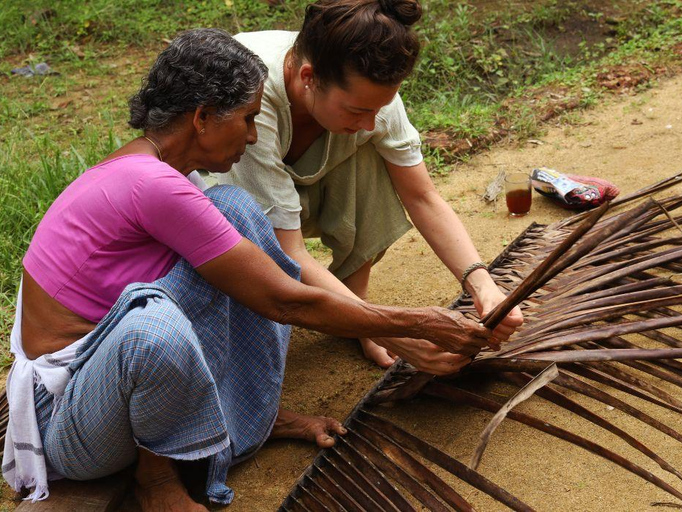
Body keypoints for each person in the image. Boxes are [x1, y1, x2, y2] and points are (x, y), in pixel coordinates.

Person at [3, 29, 512, 511]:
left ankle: (251, 417)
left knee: (237, 212)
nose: (251, 136)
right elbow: (283, 299)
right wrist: (416, 324)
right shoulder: (152, 184)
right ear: (202, 118)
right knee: (152, 330)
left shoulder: (154, 171)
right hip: (67, 421)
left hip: (107, 389)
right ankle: (155, 480)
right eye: (247, 119)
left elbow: (261, 280)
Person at [221, 0, 524, 368]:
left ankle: (354, 302)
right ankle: (358, 318)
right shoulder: (252, 97)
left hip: (303, 189)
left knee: (370, 150)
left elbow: (422, 196)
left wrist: (482, 284)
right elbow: (288, 252)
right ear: (308, 77)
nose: (369, 122)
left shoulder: (368, 96)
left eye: (378, 108)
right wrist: (390, 330)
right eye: (358, 110)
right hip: (231, 207)